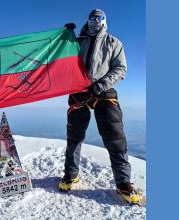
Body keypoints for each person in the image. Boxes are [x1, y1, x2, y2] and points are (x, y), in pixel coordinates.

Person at [60, 9, 141, 204]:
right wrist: (64, 38)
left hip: (103, 92)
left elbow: (121, 68)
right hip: (78, 91)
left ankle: (123, 183)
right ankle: (71, 175)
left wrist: (99, 86)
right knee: (75, 136)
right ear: (87, 20)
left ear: (104, 21)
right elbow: (61, 62)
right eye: (92, 17)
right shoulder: (76, 42)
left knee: (115, 137)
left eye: (99, 18)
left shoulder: (113, 43)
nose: (96, 21)